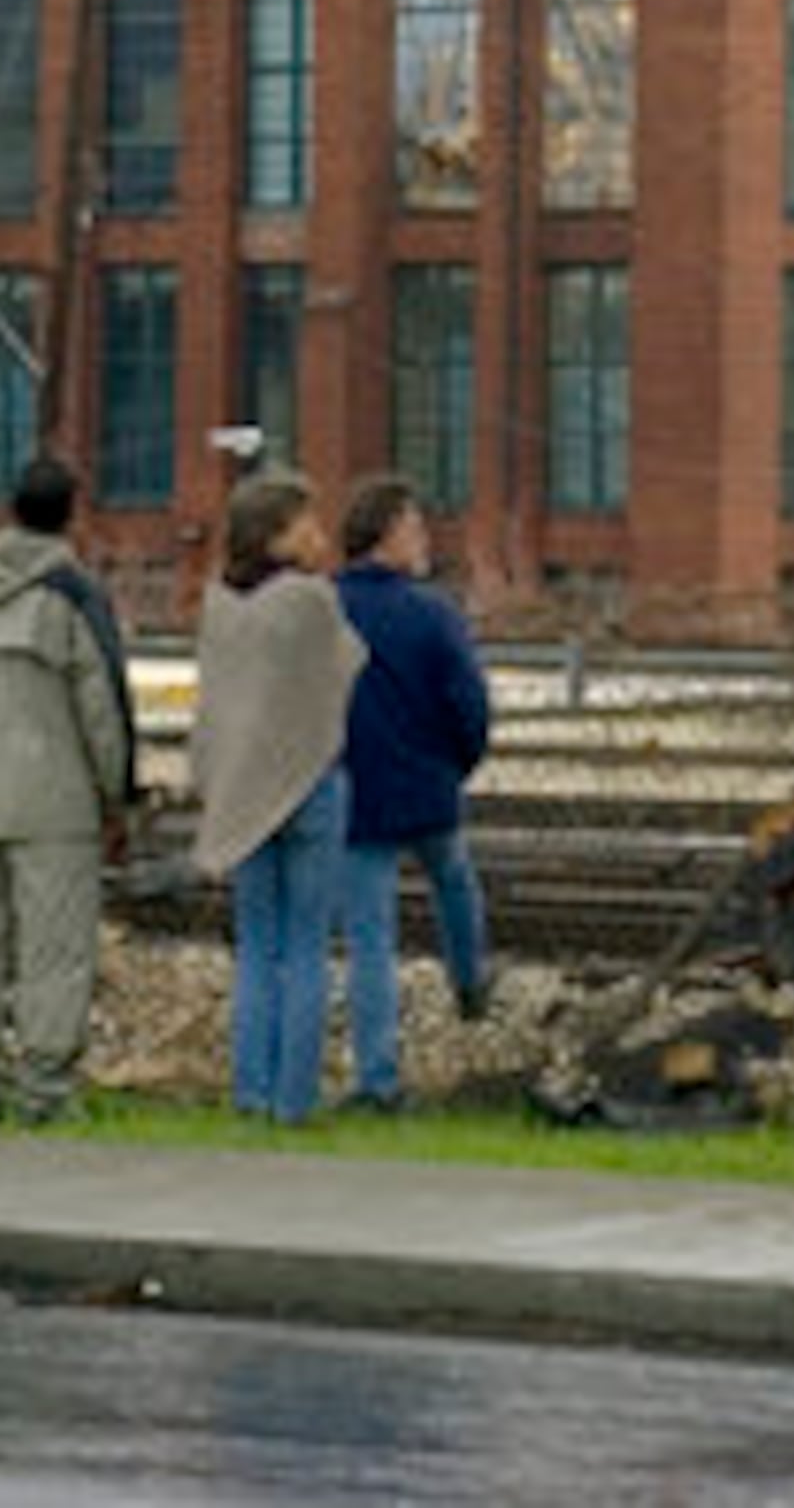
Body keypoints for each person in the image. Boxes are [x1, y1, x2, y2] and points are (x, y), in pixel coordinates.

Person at [0, 456, 134, 1123]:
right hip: (56, 802)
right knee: (56, 949)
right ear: (72, 512)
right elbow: (104, 713)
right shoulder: (72, 595)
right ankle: (44, 1086)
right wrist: (117, 796)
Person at [189, 469, 362, 1125]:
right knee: (308, 946)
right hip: (310, 783)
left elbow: (217, 705)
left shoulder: (217, 604)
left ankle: (250, 1092)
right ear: (276, 534)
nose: (319, 535)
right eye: (306, 523)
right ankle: (296, 1099)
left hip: (242, 790)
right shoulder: (310, 599)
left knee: (257, 947)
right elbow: (346, 666)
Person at [332, 473, 493, 1111]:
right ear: (388, 535)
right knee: (454, 880)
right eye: (415, 527)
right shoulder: (433, 614)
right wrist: (459, 763)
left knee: (370, 937)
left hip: (353, 792)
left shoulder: (325, 607)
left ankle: (377, 1078)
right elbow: (469, 705)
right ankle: (470, 982)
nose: (424, 538)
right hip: (429, 787)